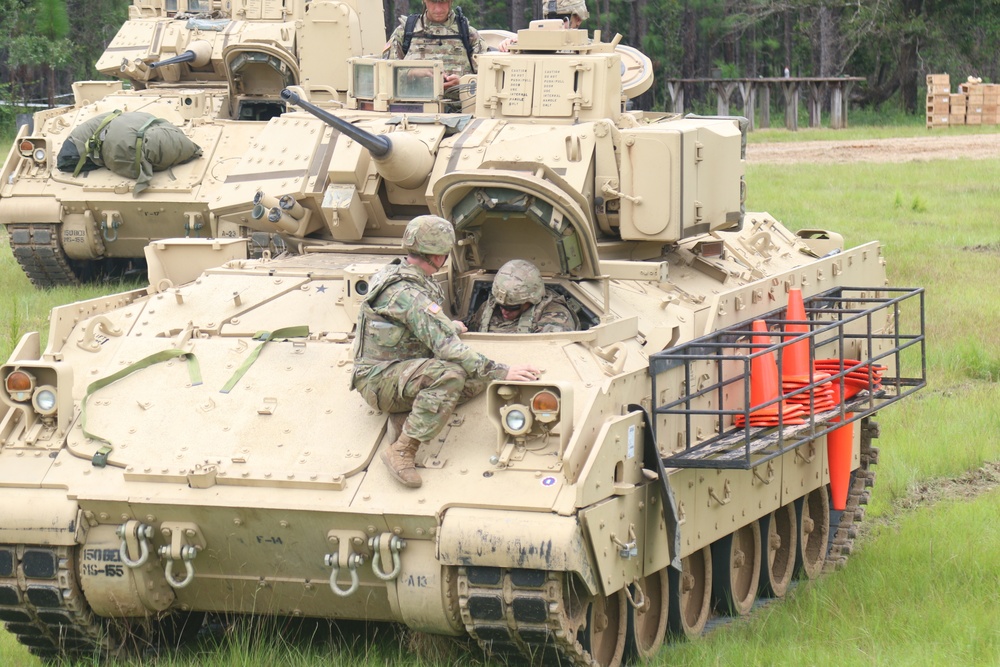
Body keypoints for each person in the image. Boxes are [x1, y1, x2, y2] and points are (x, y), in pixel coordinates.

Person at [351, 216, 540, 488]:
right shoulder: (407, 292)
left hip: (397, 369)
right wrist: (504, 371)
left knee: (476, 376)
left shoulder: (401, 275)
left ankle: (412, 412)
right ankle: (402, 449)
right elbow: (447, 347)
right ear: (439, 256)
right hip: (379, 380)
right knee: (451, 374)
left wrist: (444, 324)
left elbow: (410, 321)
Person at [382, 0, 487, 94]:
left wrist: (462, 83)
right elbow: (384, 73)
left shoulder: (468, 34)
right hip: (413, 109)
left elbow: (488, 77)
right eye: (433, 1)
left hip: (460, 110)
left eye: (443, 1)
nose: (438, 8)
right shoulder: (405, 32)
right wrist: (412, 72)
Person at [468, 259, 580, 334]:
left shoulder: (556, 317)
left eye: (512, 308)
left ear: (532, 300)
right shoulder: (488, 309)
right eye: (501, 306)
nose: (504, 312)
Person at [499, 0, 590, 52]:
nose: (554, 24)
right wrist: (512, 46)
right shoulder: (530, 42)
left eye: (561, 19)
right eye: (549, 18)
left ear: (578, 19)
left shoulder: (586, 47)